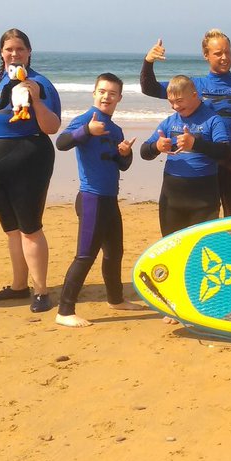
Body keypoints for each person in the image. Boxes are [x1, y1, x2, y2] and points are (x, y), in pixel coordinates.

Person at [140, 30, 231, 216]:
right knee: (203, 222)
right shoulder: (193, 86)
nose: (224, 57)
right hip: (201, 162)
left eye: (227, 52)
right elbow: (149, 88)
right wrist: (149, 62)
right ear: (206, 55)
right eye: (218, 53)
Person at [0, 29, 62, 313]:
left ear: (29, 52)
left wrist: (35, 99)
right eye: (9, 49)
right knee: (11, 230)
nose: (14, 54)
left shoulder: (39, 83)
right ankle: (17, 286)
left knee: (29, 228)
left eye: (20, 49)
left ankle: (41, 291)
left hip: (27, 160)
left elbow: (51, 127)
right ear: (1, 52)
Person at [53, 73, 145, 328]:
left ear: (119, 98)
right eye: (103, 91)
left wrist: (124, 153)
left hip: (109, 198)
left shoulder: (115, 129)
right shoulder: (85, 120)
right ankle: (64, 310)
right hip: (91, 197)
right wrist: (87, 131)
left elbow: (122, 166)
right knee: (85, 255)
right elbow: (61, 143)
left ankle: (115, 299)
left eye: (112, 93)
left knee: (115, 253)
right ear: (94, 93)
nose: (107, 96)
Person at [139, 75, 231, 236]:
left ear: (194, 95)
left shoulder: (213, 120)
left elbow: (225, 151)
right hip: (172, 199)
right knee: (173, 250)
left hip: (204, 199)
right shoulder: (169, 122)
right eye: (171, 102)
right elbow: (144, 152)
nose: (175, 106)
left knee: (201, 251)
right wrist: (156, 146)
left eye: (179, 101)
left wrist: (195, 144)